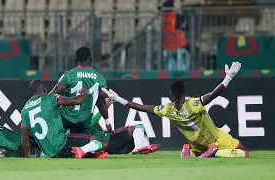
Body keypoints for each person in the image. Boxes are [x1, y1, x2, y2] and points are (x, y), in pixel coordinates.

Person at [103, 62, 250, 158]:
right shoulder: (193, 104)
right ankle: (215, 152)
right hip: (215, 138)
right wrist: (228, 78)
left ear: (171, 95)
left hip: (196, 144)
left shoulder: (168, 109)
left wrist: (119, 99)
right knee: (244, 152)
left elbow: (141, 108)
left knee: (200, 150)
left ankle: (190, 151)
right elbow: (213, 95)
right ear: (184, 92)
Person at [21, 80, 108, 159]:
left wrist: (28, 154)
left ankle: (84, 153)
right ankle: (82, 150)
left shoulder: (24, 110)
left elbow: (24, 136)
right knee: (102, 143)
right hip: (63, 142)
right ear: (44, 89)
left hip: (50, 152)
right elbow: (76, 101)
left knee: (76, 149)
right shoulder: (50, 98)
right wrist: (85, 93)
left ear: (31, 93)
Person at [50, 46, 111, 134]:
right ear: (90, 58)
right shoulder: (99, 78)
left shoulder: (68, 75)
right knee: (83, 146)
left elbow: (52, 96)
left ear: (76, 59)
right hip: (84, 123)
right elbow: (101, 102)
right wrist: (107, 122)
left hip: (66, 119)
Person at [88, 98, 160, 154]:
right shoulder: (80, 121)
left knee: (141, 136)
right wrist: (105, 106)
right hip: (108, 140)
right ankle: (140, 147)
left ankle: (142, 147)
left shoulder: (80, 117)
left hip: (111, 145)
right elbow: (89, 124)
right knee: (137, 128)